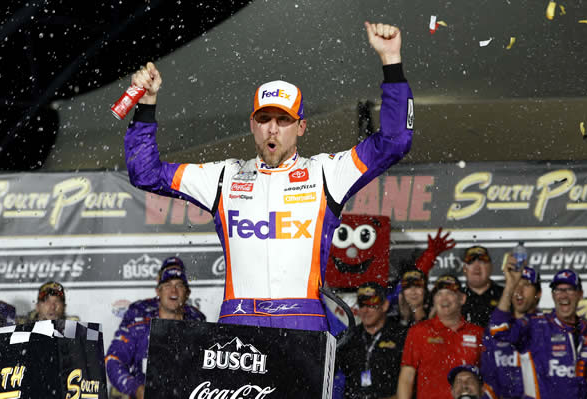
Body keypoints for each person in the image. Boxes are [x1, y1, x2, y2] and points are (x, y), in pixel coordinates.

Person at [123, 22, 412, 333]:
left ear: (301, 127)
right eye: (264, 118)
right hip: (240, 319)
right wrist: (146, 104)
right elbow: (145, 173)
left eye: (283, 119)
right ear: (252, 124)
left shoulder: (327, 172)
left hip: (303, 318)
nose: (272, 128)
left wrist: (391, 62)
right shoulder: (224, 176)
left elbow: (395, 142)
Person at [105, 258, 206, 399]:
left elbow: (206, 369)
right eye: (167, 285)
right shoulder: (139, 316)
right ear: (158, 291)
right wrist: (136, 388)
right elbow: (113, 359)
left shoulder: (197, 320)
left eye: (179, 285)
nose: (173, 291)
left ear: (187, 293)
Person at [490, 268, 587, 398]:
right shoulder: (535, 325)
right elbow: (498, 330)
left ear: (580, 294)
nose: (563, 295)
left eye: (569, 289)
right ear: (552, 295)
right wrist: (510, 287)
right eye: (558, 290)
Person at [397, 274, 484, 399]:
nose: (444, 299)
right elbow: (407, 377)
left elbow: (488, 377)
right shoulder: (418, 331)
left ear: (462, 299)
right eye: (439, 294)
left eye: (450, 293)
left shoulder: (478, 333)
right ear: (433, 300)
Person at [480, 261, 541, 399]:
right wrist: (509, 285)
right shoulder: (494, 329)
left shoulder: (545, 326)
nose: (519, 291)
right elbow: (490, 379)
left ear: (538, 293)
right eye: (515, 285)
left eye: (526, 285)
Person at [336, 282, 408, 399]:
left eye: (371, 304)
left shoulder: (401, 335)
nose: (365, 310)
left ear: (385, 305)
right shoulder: (348, 337)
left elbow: (411, 381)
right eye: (362, 304)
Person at [460, 245, 503, 328]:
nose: (477, 266)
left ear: (491, 267)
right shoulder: (455, 298)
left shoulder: (505, 295)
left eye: (482, 261)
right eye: (471, 261)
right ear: (464, 269)